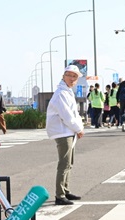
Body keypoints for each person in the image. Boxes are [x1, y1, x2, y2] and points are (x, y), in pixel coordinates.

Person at [46, 64, 84, 206]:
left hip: (67, 131)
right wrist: (78, 129)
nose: (72, 78)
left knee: (69, 163)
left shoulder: (67, 91)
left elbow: (73, 114)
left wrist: (78, 128)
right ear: (64, 76)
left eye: (75, 76)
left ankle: (65, 190)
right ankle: (60, 195)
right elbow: (66, 115)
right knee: (64, 163)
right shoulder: (61, 93)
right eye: (70, 75)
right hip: (63, 131)